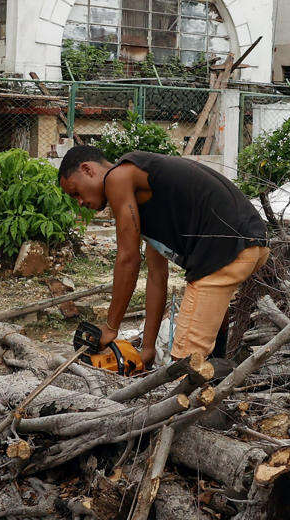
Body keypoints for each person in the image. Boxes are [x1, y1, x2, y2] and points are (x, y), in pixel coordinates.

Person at [57, 145, 268, 370]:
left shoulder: (117, 177)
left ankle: (201, 396)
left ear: (88, 169)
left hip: (226, 248)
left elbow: (128, 259)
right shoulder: (146, 194)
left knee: (185, 363)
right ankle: (219, 378)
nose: (79, 202)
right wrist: (147, 348)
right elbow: (157, 277)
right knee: (206, 346)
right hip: (251, 243)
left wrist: (110, 327)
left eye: (76, 192)